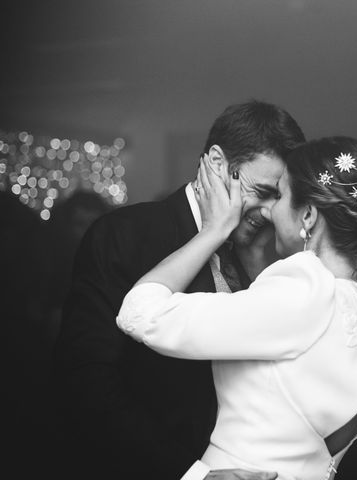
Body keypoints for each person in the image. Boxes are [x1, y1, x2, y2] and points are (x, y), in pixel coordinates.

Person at [116, 136, 357, 480]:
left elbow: (140, 313)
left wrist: (213, 231)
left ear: (308, 215)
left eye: (279, 195)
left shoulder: (304, 289)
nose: (267, 210)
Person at [52, 99, 306, 480]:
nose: (270, 211)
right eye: (263, 191)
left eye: (279, 198)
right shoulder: (124, 235)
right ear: (218, 164)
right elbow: (87, 383)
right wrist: (193, 475)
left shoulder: (256, 249)